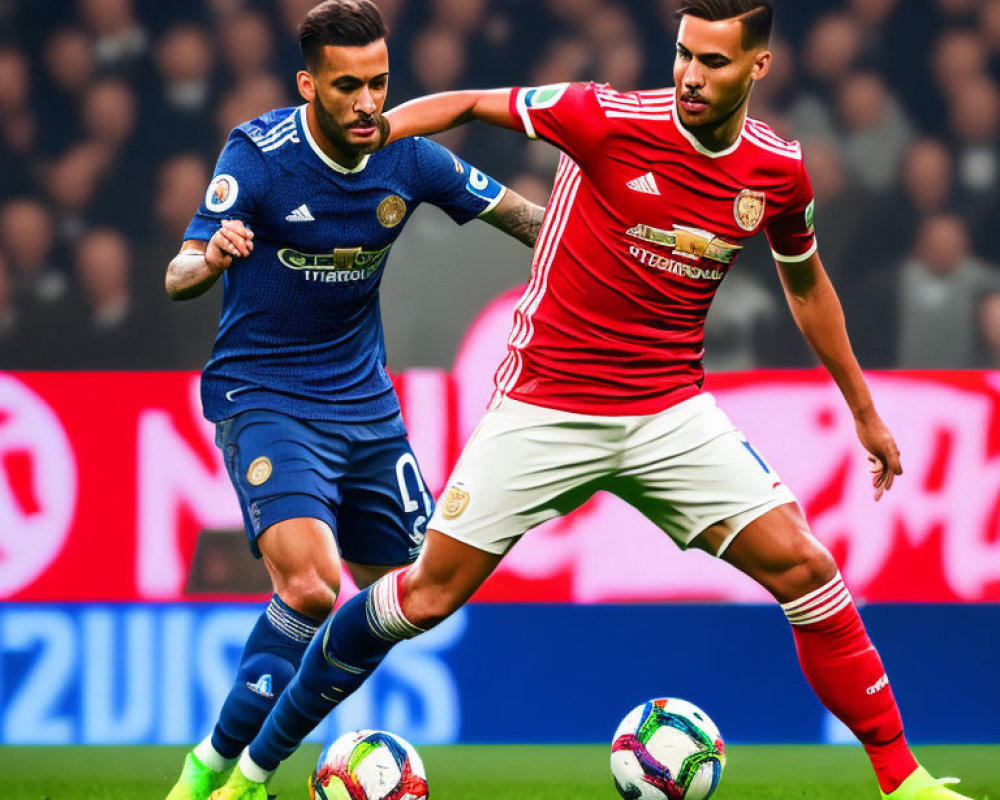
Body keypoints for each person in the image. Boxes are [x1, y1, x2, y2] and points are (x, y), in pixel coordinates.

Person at [208, 3, 978, 800]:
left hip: (668, 410)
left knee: (808, 568)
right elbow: (474, 103)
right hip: (545, 405)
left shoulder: (776, 169)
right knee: (422, 595)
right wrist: (367, 138)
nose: (689, 75)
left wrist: (862, 410)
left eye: (713, 62)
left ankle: (905, 780)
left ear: (758, 67)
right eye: (684, 54)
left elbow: (808, 287)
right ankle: (254, 772)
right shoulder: (605, 115)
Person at [161, 2, 544, 799]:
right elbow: (178, 273)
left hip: (366, 408)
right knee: (309, 585)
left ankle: (257, 766)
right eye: (348, 87)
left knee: (412, 596)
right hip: (264, 391)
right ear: (310, 85)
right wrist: (213, 255)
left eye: (379, 83)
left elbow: (524, 220)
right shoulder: (258, 155)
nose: (370, 103)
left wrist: (630, 241)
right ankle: (213, 769)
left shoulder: (411, 159)